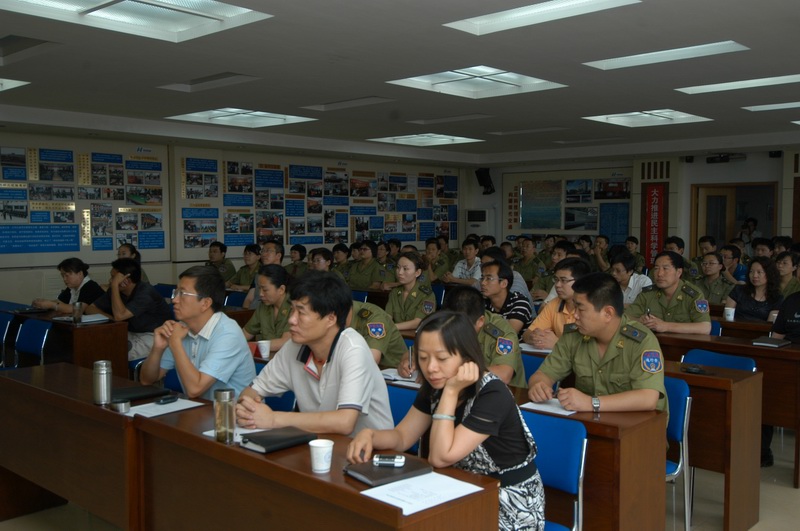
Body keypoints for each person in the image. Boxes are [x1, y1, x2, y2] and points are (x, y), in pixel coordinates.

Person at [347, 311, 545, 531]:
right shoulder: (436, 385)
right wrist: (371, 435)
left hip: (509, 502)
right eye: (423, 358)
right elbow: (402, 437)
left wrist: (451, 392)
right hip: (458, 489)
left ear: (466, 357)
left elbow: (441, 457)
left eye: (441, 359)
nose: (431, 367)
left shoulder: (493, 394)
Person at [235, 272, 394, 435]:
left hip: (369, 447)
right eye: (292, 310)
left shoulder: (353, 349)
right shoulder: (294, 347)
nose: (291, 320)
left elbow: (345, 422)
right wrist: (247, 410)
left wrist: (273, 419)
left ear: (330, 319)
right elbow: (252, 391)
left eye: (301, 312)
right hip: (320, 442)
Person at [528, 273, 668, 417]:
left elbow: (648, 398)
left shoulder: (641, 341)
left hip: (637, 424)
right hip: (592, 422)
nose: (575, 315)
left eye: (581, 309)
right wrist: (538, 386)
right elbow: (543, 374)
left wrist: (591, 403)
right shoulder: (573, 335)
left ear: (608, 313)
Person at [139, 266, 256, 399]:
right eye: (175, 293)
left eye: (182, 294)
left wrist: (175, 343)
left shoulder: (228, 334)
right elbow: (147, 380)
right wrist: (158, 348)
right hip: (200, 408)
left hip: (233, 411)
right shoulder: (182, 328)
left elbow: (195, 390)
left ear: (205, 303)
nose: (174, 300)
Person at [85, 258, 173, 360]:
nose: (110, 281)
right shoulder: (117, 291)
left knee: (116, 353)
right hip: (131, 332)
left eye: (113, 278)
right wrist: (111, 318)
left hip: (155, 335)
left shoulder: (145, 293)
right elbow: (90, 309)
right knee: (97, 345)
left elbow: (119, 316)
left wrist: (114, 286)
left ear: (126, 280)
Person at [438, 286, 525, 387]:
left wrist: (455, 373)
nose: (455, 333)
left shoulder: (502, 333)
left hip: (503, 392)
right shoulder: (441, 324)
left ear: (480, 321)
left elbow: (504, 374)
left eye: (461, 328)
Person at [625, 251, 712, 335]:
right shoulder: (648, 293)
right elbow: (625, 318)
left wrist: (665, 326)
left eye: (665, 268)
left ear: (679, 272)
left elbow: (705, 328)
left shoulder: (693, 295)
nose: (659, 274)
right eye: (656, 268)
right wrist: (639, 320)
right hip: (652, 343)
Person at [522, 258, 591, 351]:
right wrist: (535, 337)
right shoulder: (554, 303)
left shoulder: (593, 308)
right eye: (556, 279)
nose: (557, 285)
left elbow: (592, 350)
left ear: (581, 281)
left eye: (563, 280)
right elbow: (527, 334)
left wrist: (557, 344)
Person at [241, 264, 292, 353]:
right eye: (259, 289)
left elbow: (285, 342)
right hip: (266, 358)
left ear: (281, 289)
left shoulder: (294, 307)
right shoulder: (263, 306)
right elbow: (246, 333)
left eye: (265, 290)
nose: (260, 294)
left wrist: (250, 347)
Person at [385, 251, 436, 331]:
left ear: (417, 272)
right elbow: (387, 317)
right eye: (398, 267)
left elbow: (418, 322)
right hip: (397, 334)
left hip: (417, 336)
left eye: (405, 269)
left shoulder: (426, 295)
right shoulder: (394, 292)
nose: (400, 272)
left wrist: (392, 327)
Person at [481, 259, 533, 336]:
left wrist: (482, 327)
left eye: (489, 278)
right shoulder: (481, 302)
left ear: (504, 283)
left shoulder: (520, 302)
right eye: (482, 278)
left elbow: (507, 334)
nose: (483, 283)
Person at [32, 257, 105, 312]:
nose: (64, 279)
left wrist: (51, 305)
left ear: (80, 273)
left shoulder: (90, 287)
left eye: (67, 275)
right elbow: (60, 302)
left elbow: (76, 309)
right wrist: (42, 302)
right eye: (62, 276)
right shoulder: (72, 287)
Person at [725, 256, 783, 322]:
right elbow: (727, 316)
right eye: (751, 271)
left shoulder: (776, 298)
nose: (754, 275)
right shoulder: (739, 290)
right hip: (734, 327)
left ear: (769, 273)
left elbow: (770, 324)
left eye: (759, 272)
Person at [351, 300, 407, 368]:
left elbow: (372, 360)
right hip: (367, 368)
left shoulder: (374, 318)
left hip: (393, 368)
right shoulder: (343, 315)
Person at [244, 239, 284, 308]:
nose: (263, 254)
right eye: (262, 251)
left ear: (278, 255)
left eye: (268, 251)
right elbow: (249, 299)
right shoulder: (259, 275)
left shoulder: (284, 277)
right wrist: (246, 312)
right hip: (253, 311)